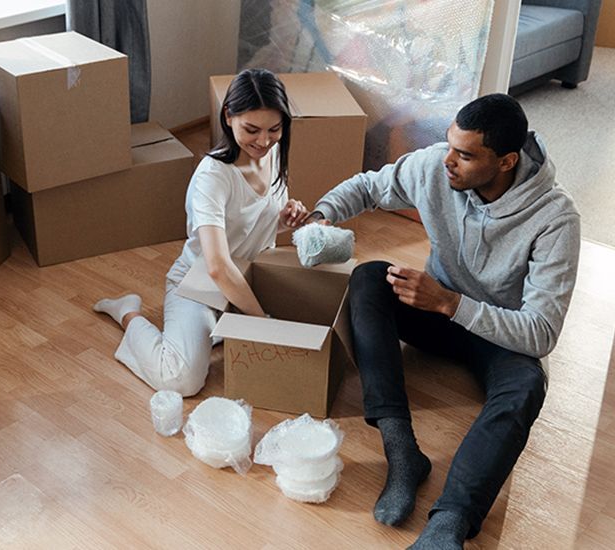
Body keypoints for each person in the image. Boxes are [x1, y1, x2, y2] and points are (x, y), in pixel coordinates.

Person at [308, 93, 580, 549]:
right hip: (437, 311)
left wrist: (452, 304)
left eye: (466, 155)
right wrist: (320, 216)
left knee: (526, 388)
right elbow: (370, 187)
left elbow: (541, 332)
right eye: (449, 144)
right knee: (370, 278)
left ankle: (449, 523)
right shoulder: (438, 165)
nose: (448, 161)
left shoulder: (556, 220)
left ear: (507, 161)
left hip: (501, 334)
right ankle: (402, 453)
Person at [94, 68, 309, 396]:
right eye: (251, 129)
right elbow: (217, 267)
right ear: (228, 116)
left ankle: (216, 330)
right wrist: (261, 321)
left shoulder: (272, 152)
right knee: (182, 380)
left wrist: (285, 217)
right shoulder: (213, 177)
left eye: (274, 129)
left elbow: (252, 223)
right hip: (201, 284)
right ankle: (128, 313)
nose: (264, 141)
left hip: (245, 278)